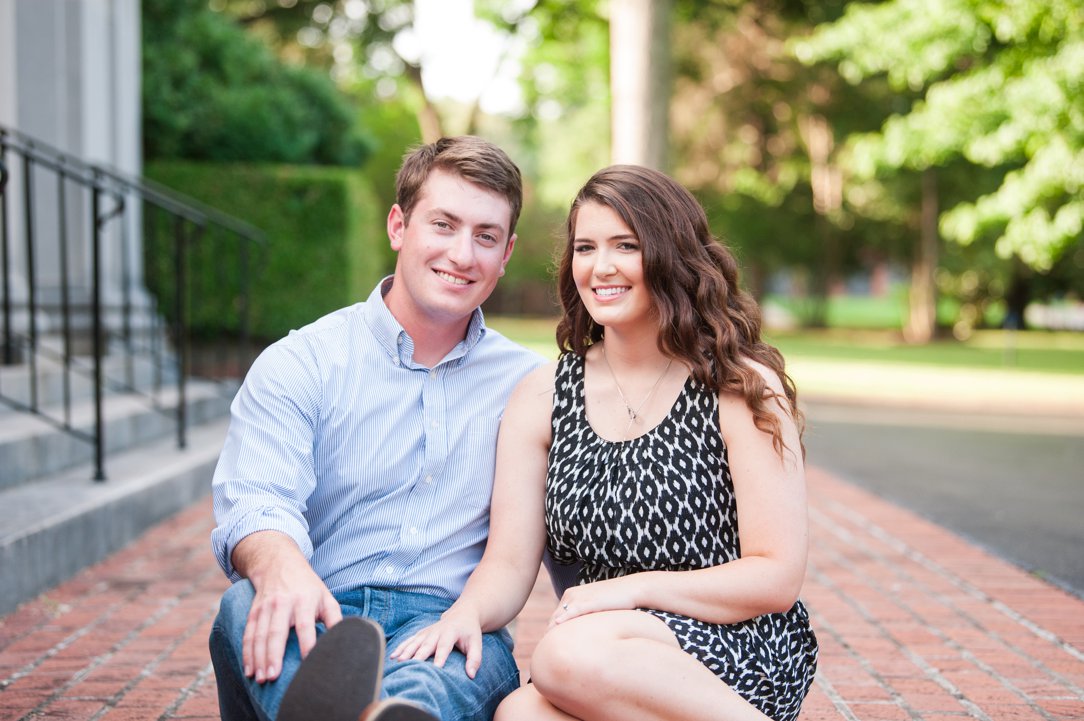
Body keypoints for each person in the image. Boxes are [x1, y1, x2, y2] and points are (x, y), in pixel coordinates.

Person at [392, 165, 819, 721]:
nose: (601, 267)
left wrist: (631, 592)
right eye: (586, 248)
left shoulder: (737, 387)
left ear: (671, 254)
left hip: (733, 643)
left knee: (562, 656)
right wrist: (464, 614)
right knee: (519, 715)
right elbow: (508, 561)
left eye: (626, 245)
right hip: (599, 651)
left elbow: (776, 577)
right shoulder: (543, 395)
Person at [208, 136, 544, 721]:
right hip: (322, 609)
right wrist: (280, 565)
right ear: (398, 225)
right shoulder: (303, 362)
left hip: (448, 621)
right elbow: (256, 498)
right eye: (443, 224)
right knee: (246, 606)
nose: (463, 255)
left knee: (444, 680)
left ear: (506, 251)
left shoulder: (529, 386)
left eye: (485, 236)